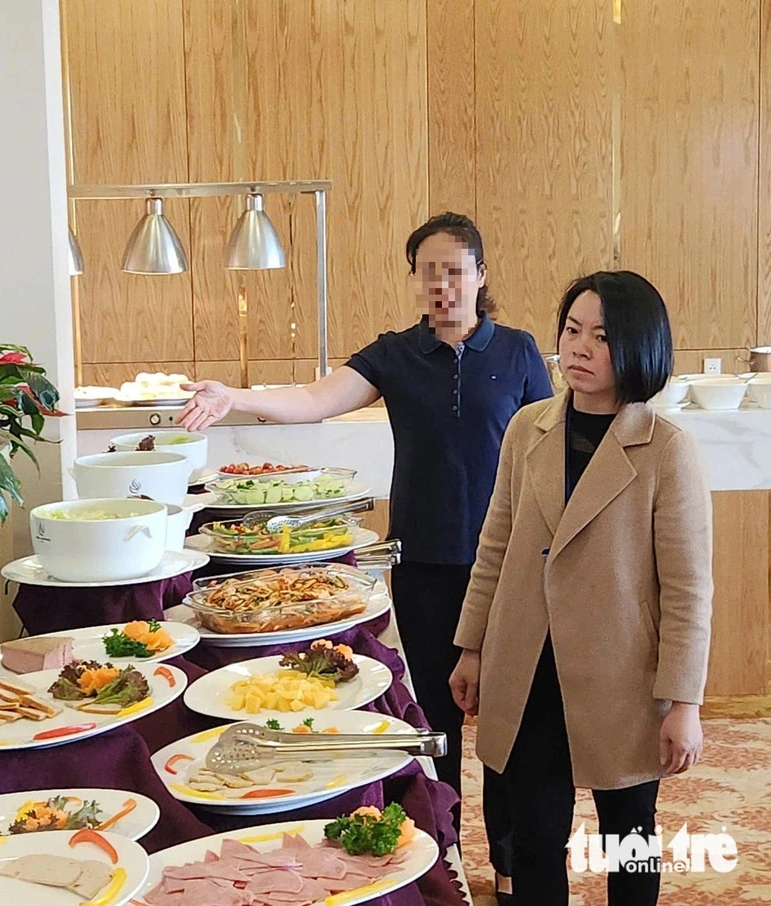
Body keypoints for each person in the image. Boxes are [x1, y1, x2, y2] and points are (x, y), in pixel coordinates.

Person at [178, 212, 551, 895]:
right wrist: (233, 395)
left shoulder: (519, 352)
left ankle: (509, 860)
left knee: (508, 722)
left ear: (480, 275)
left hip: (509, 567)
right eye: (429, 272)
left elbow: (548, 448)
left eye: (455, 271)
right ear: (416, 279)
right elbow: (314, 398)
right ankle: (445, 852)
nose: (443, 285)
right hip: (425, 564)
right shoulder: (395, 354)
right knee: (435, 715)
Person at [449, 271, 712, 906]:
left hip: (623, 677)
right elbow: (495, 545)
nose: (580, 348)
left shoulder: (667, 449)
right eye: (572, 330)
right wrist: (472, 646)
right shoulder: (527, 428)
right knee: (535, 838)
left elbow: (687, 589)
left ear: (639, 348)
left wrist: (685, 702)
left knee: (629, 837)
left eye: (602, 336)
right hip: (528, 667)